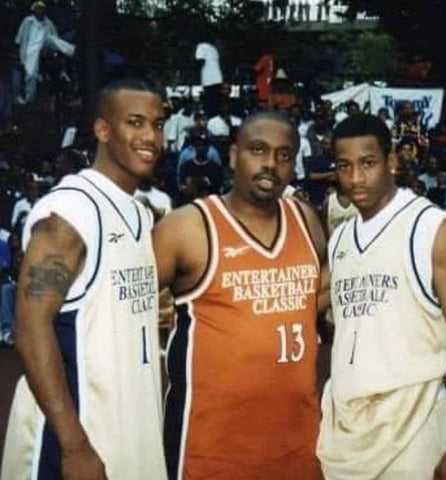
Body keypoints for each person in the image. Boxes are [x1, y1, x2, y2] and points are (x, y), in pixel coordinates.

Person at [1, 79, 168, 480]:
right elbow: (30, 328)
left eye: (158, 124)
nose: (150, 136)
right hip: (74, 435)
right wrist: (74, 446)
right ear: (102, 130)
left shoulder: (140, 213)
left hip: (128, 425)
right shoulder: (70, 212)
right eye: (135, 122)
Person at [153, 111, 326, 480]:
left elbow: (319, 297)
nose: (270, 164)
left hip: (297, 441)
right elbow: (121, 305)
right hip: (211, 446)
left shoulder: (306, 220)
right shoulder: (187, 227)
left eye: (283, 155)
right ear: (232, 156)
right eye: (258, 150)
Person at [317, 114, 446, 480]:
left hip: (413, 429)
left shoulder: (433, 230)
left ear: (392, 161)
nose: (356, 178)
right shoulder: (342, 239)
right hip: (346, 433)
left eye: (368, 163)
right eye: (345, 166)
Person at [15, 1, 75, 103]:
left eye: (42, 8)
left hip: (45, 47)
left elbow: (56, 39)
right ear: (34, 9)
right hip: (31, 49)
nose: (40, 10)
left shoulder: (48, 22)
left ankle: (73, 51)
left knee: (50, 38)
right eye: (38, 8)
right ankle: (29, 99)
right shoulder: (27, 21)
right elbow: (19, 39)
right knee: (31, 75)